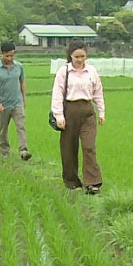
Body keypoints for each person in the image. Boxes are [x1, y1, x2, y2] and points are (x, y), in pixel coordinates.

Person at [50, 40, 104, 194]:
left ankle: (93, 183)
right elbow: (57, 94)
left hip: (87, 110)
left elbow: (98, 92)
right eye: (77, 57)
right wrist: (59, 116)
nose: (80, 60)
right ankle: (72, 181)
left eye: (83, 56)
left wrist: (101, 112)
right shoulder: (64, 72)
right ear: (70, 56)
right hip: (70, 110)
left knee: (89, 146)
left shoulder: (91, 71)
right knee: (69, 147)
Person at [0, 42, 31, 161]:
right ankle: (5, 151)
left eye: (12, 55)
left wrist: (24, 98)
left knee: (21, 127)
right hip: (3, 104)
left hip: (17, 102)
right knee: (3, 129)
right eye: (7, 56)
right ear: (2, 54)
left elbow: (22, 83)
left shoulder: (19, 66)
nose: (10, 58)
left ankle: (24, 151)